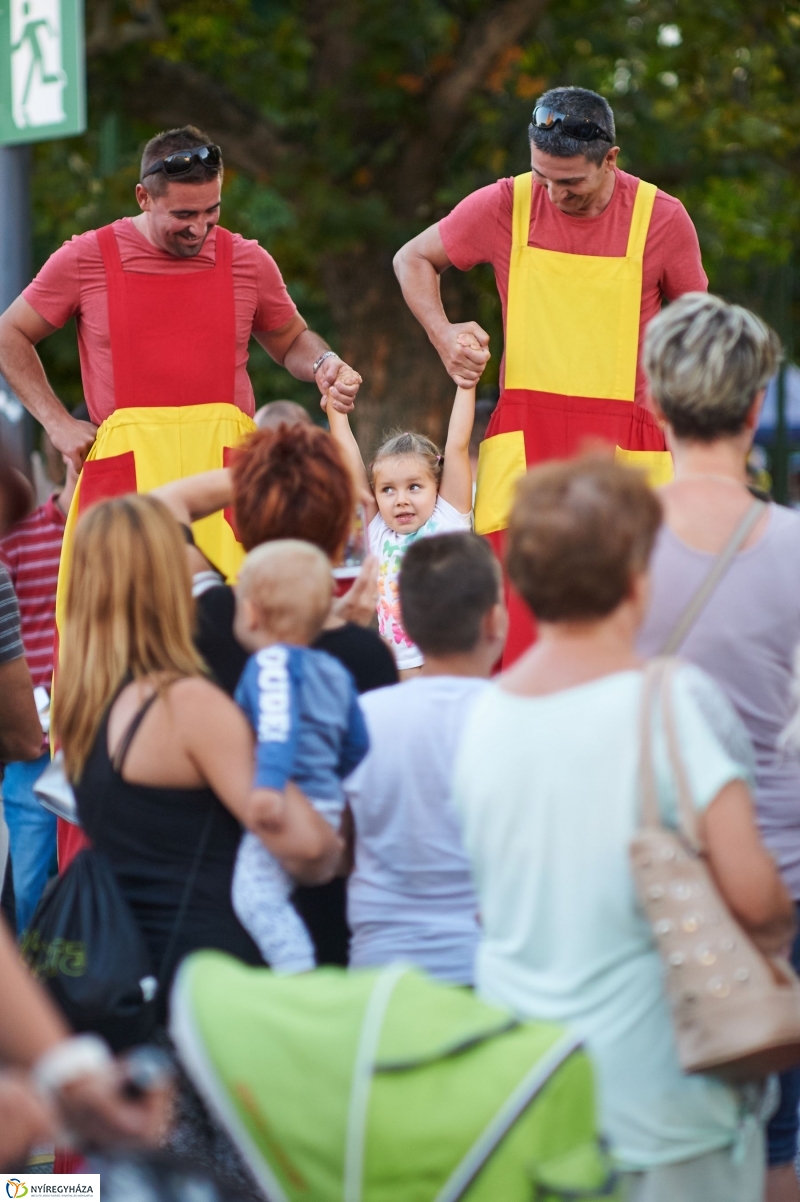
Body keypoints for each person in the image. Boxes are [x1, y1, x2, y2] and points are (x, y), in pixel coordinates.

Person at [453, 456, 794, 1202]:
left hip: (528, 1094)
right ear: (639, 579)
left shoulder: (483, 718)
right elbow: (756, 897)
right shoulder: (671, 704)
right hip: (662, 1108)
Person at [54, 493, 342, 1194]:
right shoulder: (184, 703)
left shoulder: (81, 697)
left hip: (134, 996)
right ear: (166, 576)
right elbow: (303, 844)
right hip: (219, 998)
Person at [394, 85, 707, 665]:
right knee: (516, 641)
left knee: (629, 639)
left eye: (571, 183)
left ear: (610, 160)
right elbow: (411, 258)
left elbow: (701, 333)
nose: (554, 194)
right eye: (543, 177)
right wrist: (444, 337)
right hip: (526, 446)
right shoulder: (505, 204)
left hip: (626, 454)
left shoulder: (660, 218)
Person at [0, 124, 362, 595]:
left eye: (212, 211)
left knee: (241, 627)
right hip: (126, 480)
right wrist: (56, 423)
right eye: (184, 214)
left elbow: (292, 342)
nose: (199, 228)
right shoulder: (88, 256)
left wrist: (324, 363)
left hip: (228, 480)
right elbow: (10, 334)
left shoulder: (247, 259)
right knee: (115, 639)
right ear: (143, 198)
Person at [635, 293, 800, 1202]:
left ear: (656, 400)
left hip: (644, 886)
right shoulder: (794, 549)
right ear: (752, 409)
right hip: (779, 889)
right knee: (777, 1145)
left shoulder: (610, 543)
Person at [156, 425, 397, 966]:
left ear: (241, 525)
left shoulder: (209, 619)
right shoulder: (365, 656)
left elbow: (160, 506)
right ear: (341, 532)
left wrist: (265, 477)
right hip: (330, 927)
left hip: (216, 926)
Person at [344, 533, 505, 983]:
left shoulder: (362, 718)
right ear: (495, 620)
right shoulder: (523, 722)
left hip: (381, 977)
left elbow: (337, 847)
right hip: (492, 971)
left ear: (406, 627)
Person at [232, 540, 367, 973]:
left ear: (252, 613)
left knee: (254, 896)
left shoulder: (269, 664)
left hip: (289, 799)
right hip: (327, 801)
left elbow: (276, 728)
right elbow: (358, 744)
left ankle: (296, 972)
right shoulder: (334, 669)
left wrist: (269, 787)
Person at [326, 341, 476, 674]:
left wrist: (467, 382)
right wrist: (336, 414)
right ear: (374, 494)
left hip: (450, 662)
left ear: (437, 487)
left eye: (415, 487)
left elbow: (457, 445)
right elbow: (348, 465)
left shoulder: (448, 520)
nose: (402, 499)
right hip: (400, 669)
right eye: (388, 490)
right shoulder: (376, 531)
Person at [0, 443, 78, 933]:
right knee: (27, 885)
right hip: (35, 741)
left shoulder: (120, 537)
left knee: (83, 877)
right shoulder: (18, 540)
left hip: (89, 735)